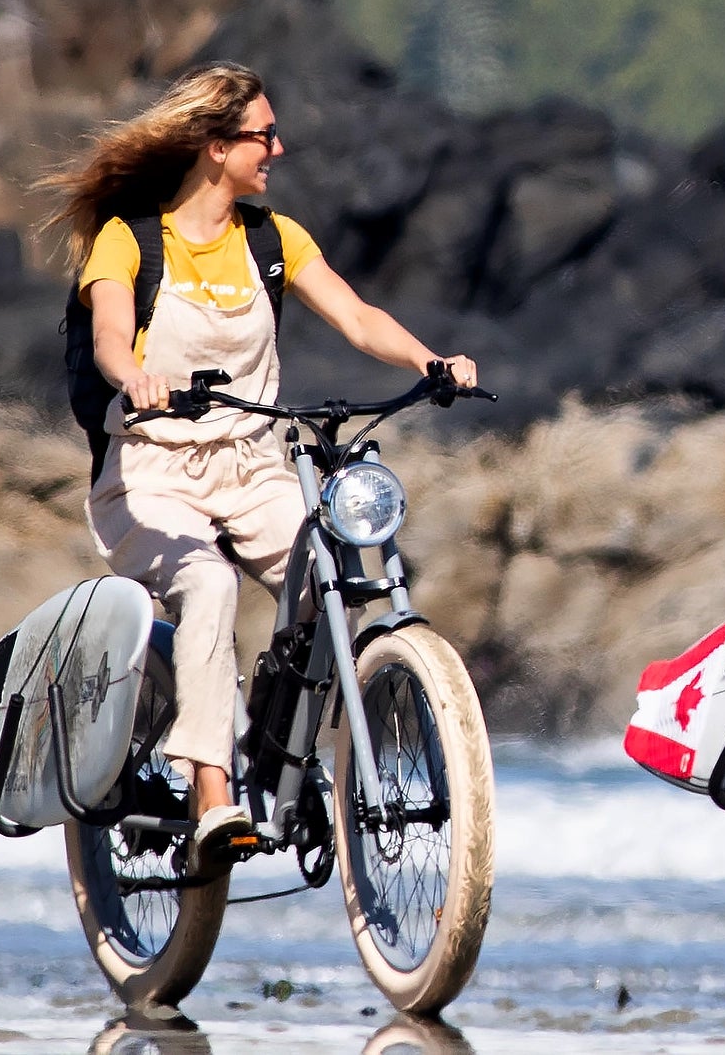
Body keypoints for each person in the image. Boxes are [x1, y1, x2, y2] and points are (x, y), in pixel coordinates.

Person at [38, 62, 478, 863]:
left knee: (335, 574)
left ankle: (279, 748)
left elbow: (354, 314)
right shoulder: (129, 241)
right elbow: (107, 334)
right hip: (151, 474)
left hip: (255, 464)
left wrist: (430, 362)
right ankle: (212, 793)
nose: (280, 145)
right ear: (215, 147)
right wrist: (134, 374)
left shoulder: (273, 238)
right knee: (207, 583)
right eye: (264, 134)